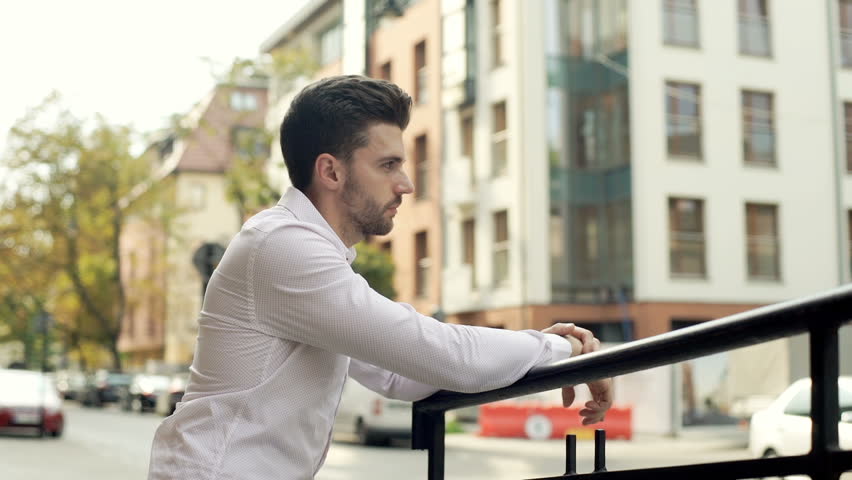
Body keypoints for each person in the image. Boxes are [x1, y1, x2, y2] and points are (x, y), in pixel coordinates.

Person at [147, 75, 613, 480]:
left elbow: (398, 373)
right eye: (388, 165)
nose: (406, 184)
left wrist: (544, 352)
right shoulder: (284, 247)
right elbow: (440, 352)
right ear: (330, 171)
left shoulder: (305, 251)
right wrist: (564, 348)